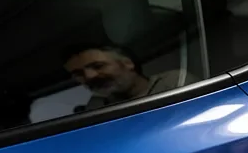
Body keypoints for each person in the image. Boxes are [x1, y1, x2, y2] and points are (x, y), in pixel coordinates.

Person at [63, 43, 201, 112]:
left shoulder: (173, 83)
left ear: (127, 63)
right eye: (79, 74)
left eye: (98, 66)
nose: (89, 76)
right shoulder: (96, 108)